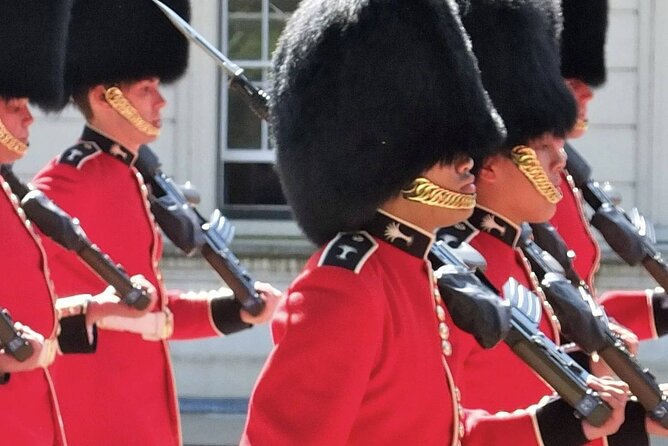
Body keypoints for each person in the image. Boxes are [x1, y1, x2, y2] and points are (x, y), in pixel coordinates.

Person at [241, 0, 628, 444]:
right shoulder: (346, 288)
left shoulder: (420, 269)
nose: (469, 163)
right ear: (391, 159)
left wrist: (550, 425)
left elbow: (444, 432)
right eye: (447, 147)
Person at [31, 1, 279, 444]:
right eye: (146, 89)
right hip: (93, 422)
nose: (161, 100)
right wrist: (91, 312)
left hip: (144, 423)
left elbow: (149, 308)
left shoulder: (130, 178)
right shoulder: (67, 184)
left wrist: (235, 309)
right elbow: (29, 306)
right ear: (103, 97)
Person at [440, 0, 663, 443]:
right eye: (542, 146)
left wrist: (627, 410)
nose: (559, 157)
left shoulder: (524, 248)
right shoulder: (457, 266)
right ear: (490, 164)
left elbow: (568, 326)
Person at [0, 1, 158, 444]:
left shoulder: (10, 195)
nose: (29, 115)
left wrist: (91, 309)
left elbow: (32, 322)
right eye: (14, 105)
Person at [546, 0, 666, 342]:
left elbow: (583, 312)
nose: (587, 93)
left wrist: (662, 310)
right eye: (569, 79)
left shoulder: (565, 176)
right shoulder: (513, 186)